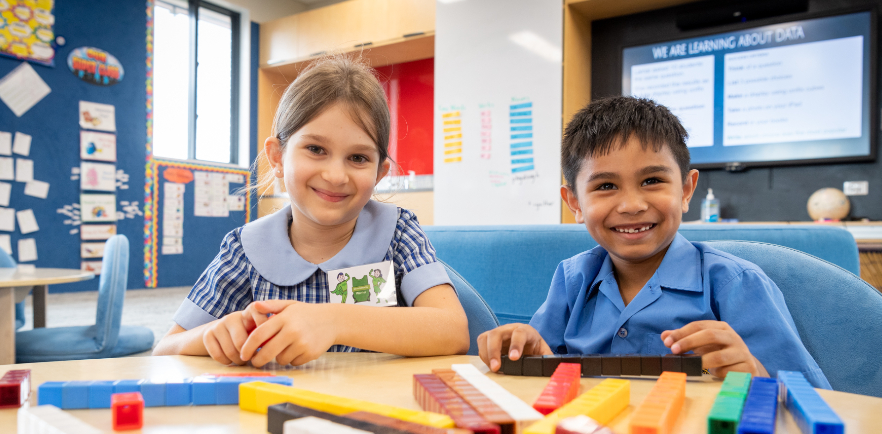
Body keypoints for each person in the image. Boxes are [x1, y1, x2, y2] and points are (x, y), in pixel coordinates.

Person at [478, 96, 830, 388]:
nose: (632, 205)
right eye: (605, 186)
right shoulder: (573, 280)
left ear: (686, 190)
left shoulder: (736, 284)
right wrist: (531, 354)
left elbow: (815, 399)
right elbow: (546, 369)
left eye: (652, 180)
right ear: (574, 203)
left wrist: (752, 373)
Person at [154, 56, 468, 366]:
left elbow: (453, 331)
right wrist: (214, 331)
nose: (335, 175)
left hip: (375, 409)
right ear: (277, 157)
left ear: (379, 174)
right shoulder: (246, 248)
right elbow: (166, 349)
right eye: (316, 149)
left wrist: (334, 321)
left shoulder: (397, 232)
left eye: (358, 158)